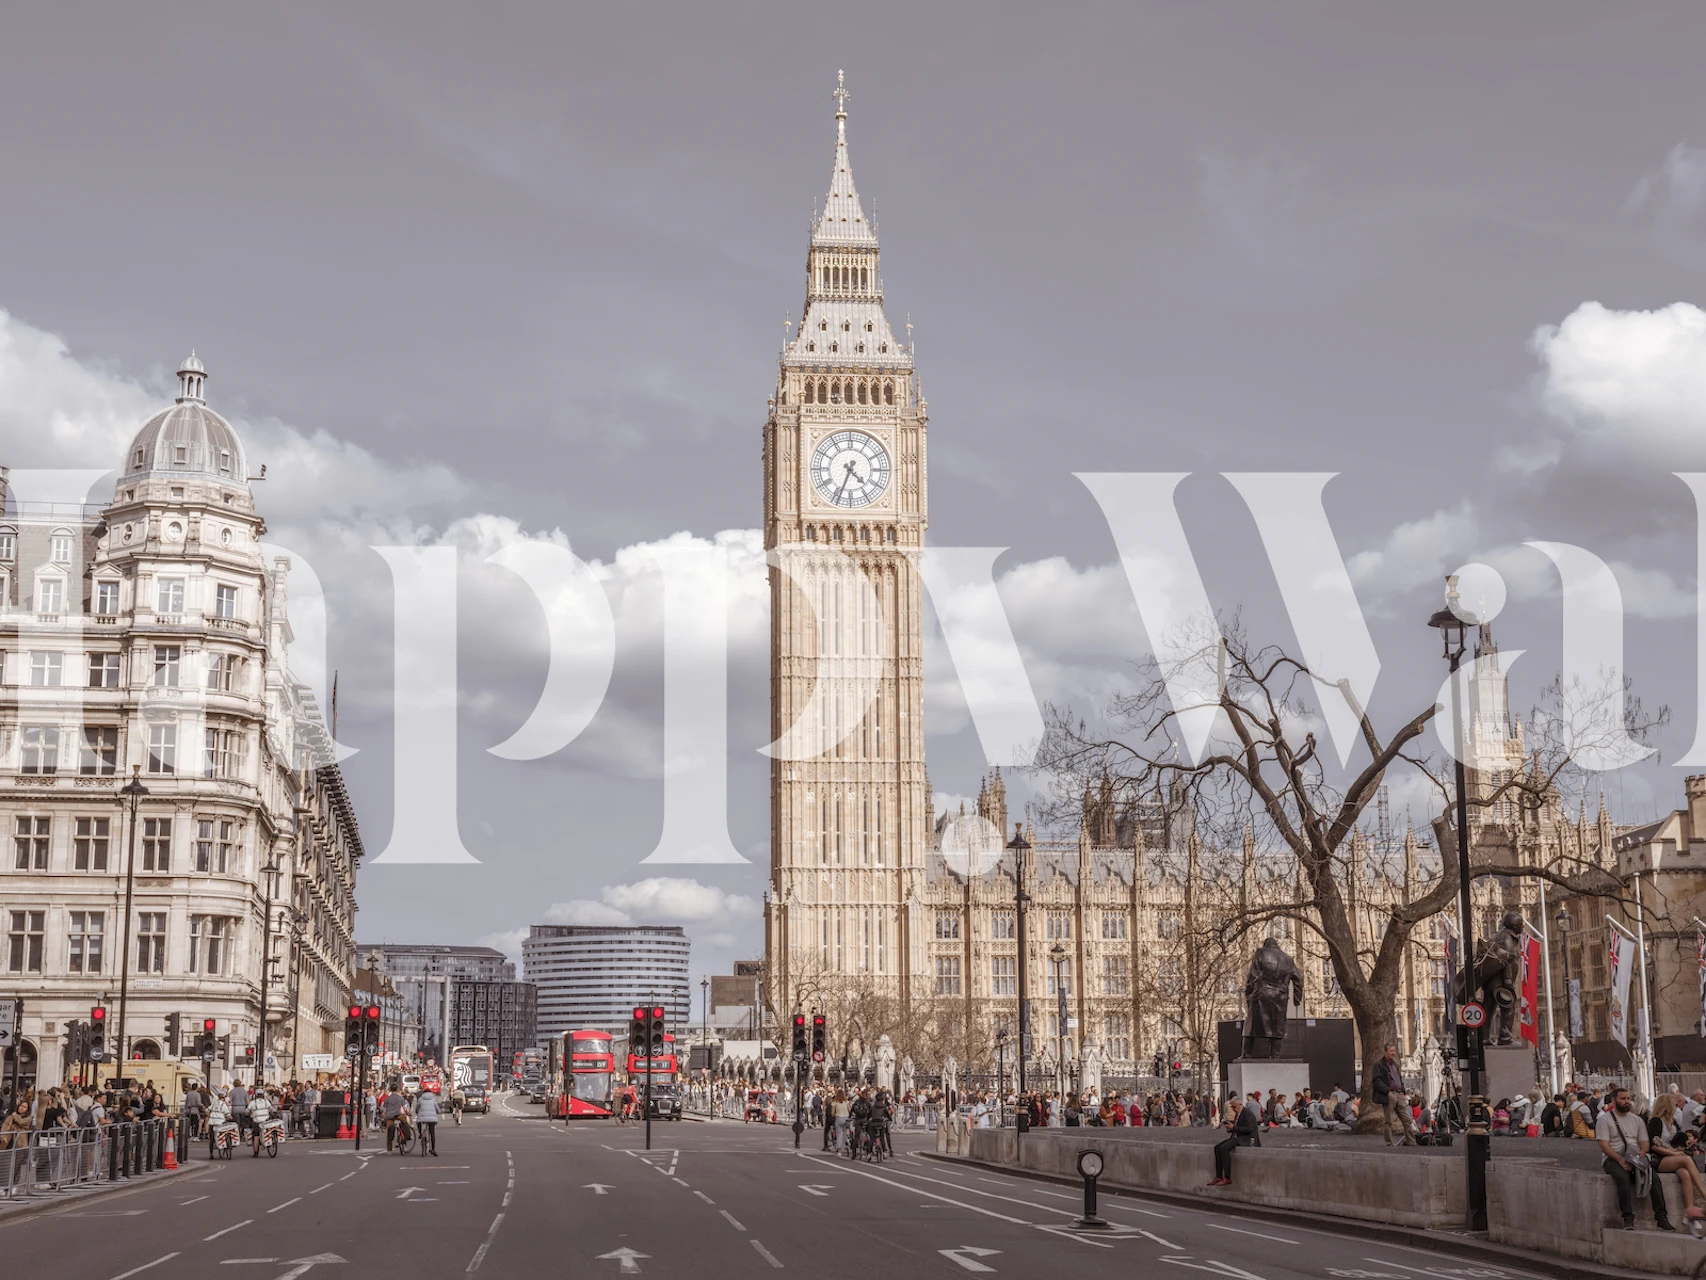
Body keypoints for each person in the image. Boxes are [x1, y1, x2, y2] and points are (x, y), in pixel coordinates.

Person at [1599, 1085, 1674, 1231]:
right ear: (1614, 1100)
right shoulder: (1604, 1120)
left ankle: (1661, 1217)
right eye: (1623, 1099)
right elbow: (1604, 1145)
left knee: (1654, 1178)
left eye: (1628, 1098)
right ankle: (1628, 1218)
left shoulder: (1637, 1120)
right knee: (1622, 1177)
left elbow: (1645, 1143)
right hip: (1614, 1158)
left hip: (1635, 1155)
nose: (1627, 1101)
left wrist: (1639, 1156)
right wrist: (1621, 1160)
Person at [1647, 1094, 1706, 1222]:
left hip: (1671, 1155)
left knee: (1685, 1174)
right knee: (1686, 1160)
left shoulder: (1672, 1122)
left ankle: (1689, 1212)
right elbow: (1653, 1146)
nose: (1676, 1108)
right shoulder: (1656, 1121)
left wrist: (1678, 1148)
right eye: (1673, 1105)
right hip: (1659, 1158)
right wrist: (1674, 1153)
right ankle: (1704, 1194)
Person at [1210, 1091, 1263, 1186]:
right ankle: (1219, 1176)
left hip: (1246, 1139)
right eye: (1232, 1107)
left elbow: (1249, 1129)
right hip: (1239, 1136)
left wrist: (1233, 1128)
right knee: (1217, 1147)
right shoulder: (1239, 1113)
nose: (1233, 1109)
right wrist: (1230, 1127)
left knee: (1224, 1148)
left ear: (1240, 1105)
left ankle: (1227, 1177)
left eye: (1234, 1107)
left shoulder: (1247, 1113)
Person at [1371, 1043, 1414, 1146]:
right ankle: (1389, 1143)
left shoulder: (1395, 1064)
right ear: (1385, 1052)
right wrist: (1387, 1091)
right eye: (1391, 1051)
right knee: (1388, 1121)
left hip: (1399, 1094)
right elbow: (1376, 1080)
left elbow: (1399, 1079)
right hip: (1389, 1095)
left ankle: (1411, 1141)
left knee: (1407, 1119)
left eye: (1394, 1051)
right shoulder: (1379, 1065)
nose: (1393, 1053)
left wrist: (1403, 1091)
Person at [415, 1085, 440, 1155]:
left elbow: (417, 1108)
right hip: (432, 1119)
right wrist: (437, 1112)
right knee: (432, 1133)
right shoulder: (433, 1099)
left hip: (422, 1117)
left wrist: (417, 1112)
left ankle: (420, 1134)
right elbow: (437, 1109)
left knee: (419, 1122)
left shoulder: (420, 1099)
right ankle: (433, 1149)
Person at [383, 1087, 409, 1152]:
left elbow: (384, 1110)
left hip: (389, 1116)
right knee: (404, 1125)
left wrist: (384, 1116)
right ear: (397, 1090)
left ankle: (389, 1150)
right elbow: (404, 1108)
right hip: (398, 1115)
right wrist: (408, 1113)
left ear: (390, 1090)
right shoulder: (400, 1098)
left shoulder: (388, 1098)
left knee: (389, 1132)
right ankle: (405, 1140)